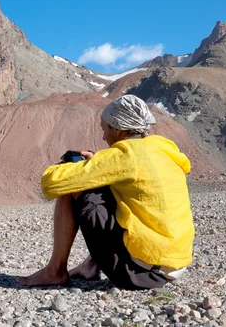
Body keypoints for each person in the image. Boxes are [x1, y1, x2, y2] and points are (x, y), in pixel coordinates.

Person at [18, 94, 194, 290]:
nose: (103, 136)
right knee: (115, 191)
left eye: (105, 128)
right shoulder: (163, 148)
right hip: (175, 266)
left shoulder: (124, 155)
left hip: (138, 273)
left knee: (73, 186)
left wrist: (73, 165)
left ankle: (55, 271)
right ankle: (89, 266)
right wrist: (97, 162)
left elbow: (51, 183)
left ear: (117, 128)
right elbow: (135, 172)